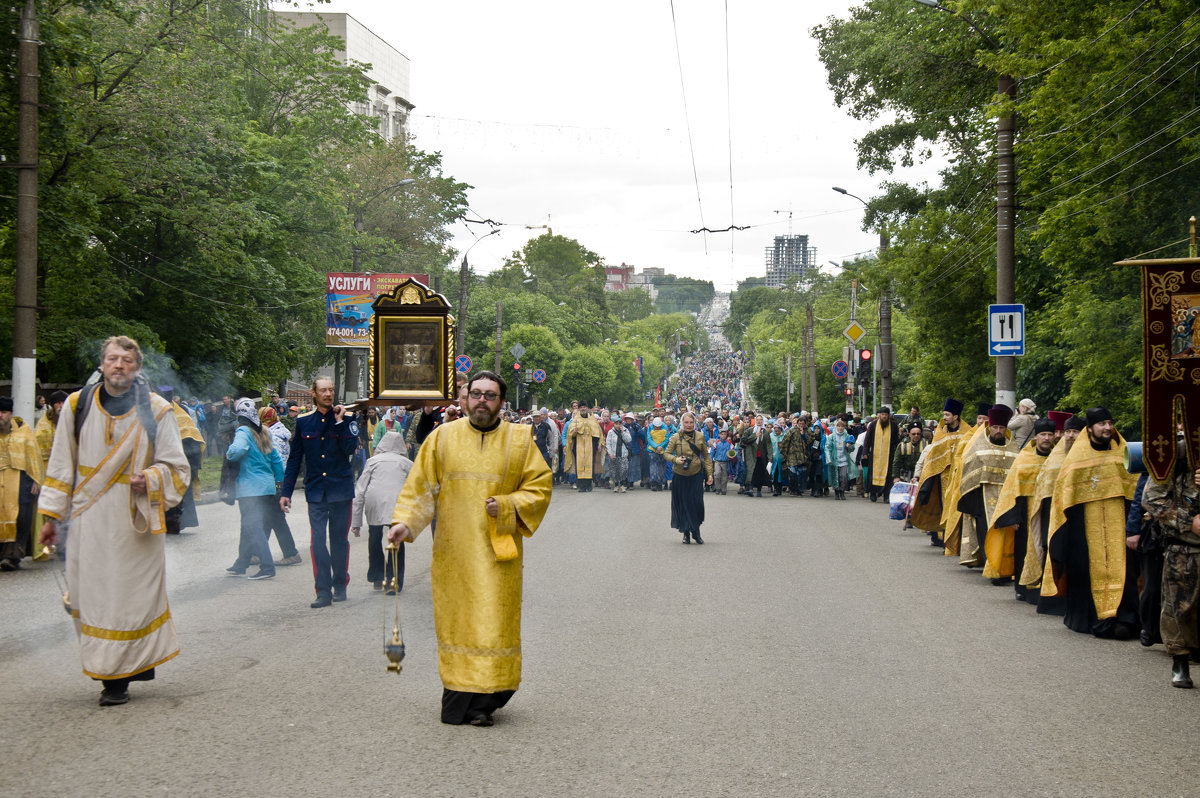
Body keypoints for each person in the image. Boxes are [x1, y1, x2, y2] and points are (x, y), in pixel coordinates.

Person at [387, 371, 552, 727]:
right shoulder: (442, 438)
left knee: (493, 626)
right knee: (459, 626)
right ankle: (464, 699)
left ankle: (486, 701)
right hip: (455, 555)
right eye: (475, 394)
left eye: (489, 396)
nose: (481, 401)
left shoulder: (520, 441)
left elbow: (539, 487)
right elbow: (421, 488)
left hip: (498, 555)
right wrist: (405, 523)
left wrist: (508, 505)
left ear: (501, 403)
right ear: (465, 399)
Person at [38, 335, 190, 706]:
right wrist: (50, 516)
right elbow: (62, 465)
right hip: (88, 519)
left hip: (132, 521)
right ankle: (109, 668)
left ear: (137, 368)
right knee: (94, 596)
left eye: (126, 360)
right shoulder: (78, 405)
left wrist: (150, 479)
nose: (118, 365)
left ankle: (117, 679)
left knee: (129, 599)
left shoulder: (156, 410)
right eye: (111, 359)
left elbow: (177, 467)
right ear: (102, 364)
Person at [1042, 407, 1139, 639]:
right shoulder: (1076, 457)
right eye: (1101, 424)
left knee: (1124, 569)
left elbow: (1135, 490)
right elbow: (1064, 498)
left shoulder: (1122, 453)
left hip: (1119, 524)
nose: (1107, 428)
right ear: (1090, 428)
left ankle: (1125, 618)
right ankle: (1089, 619)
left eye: (1109, 423)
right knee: (1085, 570)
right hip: (1084, 530)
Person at [279, 376, 359, 609]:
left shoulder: (348, 418)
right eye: (323, 390)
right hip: (316, 493)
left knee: (339, 541)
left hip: (341, 492)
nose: (328, 394)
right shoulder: (304, 422)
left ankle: (340, 584)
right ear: (313, 393)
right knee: (318, 542)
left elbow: (350, 449)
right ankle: (322, 591)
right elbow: (295, 459)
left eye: (331, 390)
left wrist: (340, 422)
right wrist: (286, 491)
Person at [1142, 439, 1200, 687]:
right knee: (1179, 605)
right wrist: (1188, 521)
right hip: (1183, 545)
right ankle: (1180, 659)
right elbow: (1152, 498)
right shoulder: (1175, 453)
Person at [985, 416, 1056, 599]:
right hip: (1026, 512)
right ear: (1036, 437)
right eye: (1043, 435)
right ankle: (1023, 588)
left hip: (1050, 511)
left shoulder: (1058, 458)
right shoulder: (1024, 458)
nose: (1046, 438)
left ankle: (1044, 587)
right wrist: (1014, 518)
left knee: (1046, 548)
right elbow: (1012, 490)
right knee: (1024, 550)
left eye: (1050, 434)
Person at [953, 404, 1019, 569]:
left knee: (1004, 532)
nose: (998, 430)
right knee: (986, 530)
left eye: (1001, 428)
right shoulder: (979, 447)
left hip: (1006, 498)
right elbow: (968, 474)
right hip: (983, 498)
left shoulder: (1015, 449)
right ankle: (991, 564)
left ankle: (1002, 565)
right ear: (989, 428)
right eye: (995, 427)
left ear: (1005, 429)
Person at [224, 398, 282, 581]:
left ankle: (267, 566)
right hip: (266, 487)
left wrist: (229, 453)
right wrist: (281, 482)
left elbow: (237, 450)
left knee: (253, 527)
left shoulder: (243, 431)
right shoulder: (265, 432)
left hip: (250, 489)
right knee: (247, 526)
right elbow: (276, 460)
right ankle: (241, 564)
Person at [351, 430, 413, 594]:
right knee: (396, 540)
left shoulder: (372, 461)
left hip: (374, 502)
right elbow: (416, 488)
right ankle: (394, 580)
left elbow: (360, 492)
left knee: (374, 537)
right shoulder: (406, 463)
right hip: (398, 503)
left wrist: (356, 523)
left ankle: (377, 576)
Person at [912, 399, 974, 547]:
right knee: (943, 507)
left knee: (959, 509)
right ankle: (944, 538)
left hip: (961, 477)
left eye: (947, 415)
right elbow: (933, 456)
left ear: (956, 416)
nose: (944, 417)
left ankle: (959, 541)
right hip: (943, 478)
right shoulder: (940, 432)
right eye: (944, 414)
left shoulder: (968, 433)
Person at [0, 396, 44, 570]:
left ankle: (13, 556)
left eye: (3, 412)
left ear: (10, 414)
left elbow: (34, 458)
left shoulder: (24, 433)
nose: (0, 416)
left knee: (20, 518)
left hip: (20, 482)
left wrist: (36, 480)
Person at [259, 407, 301, 566]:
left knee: (275, 518)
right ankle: (257, 552)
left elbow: (272, 461)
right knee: (267, 518)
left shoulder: (272, 436)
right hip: (279, 480)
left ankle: (291, 553)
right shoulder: (279, 431)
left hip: (275, 480)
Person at [663, 411, 714, 543]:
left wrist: (709, 474)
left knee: (696, 504)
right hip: (680, 476)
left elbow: (707, 457)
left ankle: (696, 532)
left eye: (691, 422)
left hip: (696, 475)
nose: (689, 425)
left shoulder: (700, 436)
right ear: (682, 423)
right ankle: (686, 534)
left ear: (695, 423)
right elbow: (666, 454)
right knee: (684, 505)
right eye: (686, 422)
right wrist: (675, 459)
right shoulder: (675, 437)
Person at [161, 387, 204, 535]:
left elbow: (192, 438)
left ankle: (179, 523)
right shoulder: (168, 410)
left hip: (184, 460)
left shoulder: (177, 412)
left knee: (179, 493)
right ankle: (178, 523)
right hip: (180, 460)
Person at [860, 405, 900, 503]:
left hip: (888, 455)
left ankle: (886, 495)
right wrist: (865, 452)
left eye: (886, 415)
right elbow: (867, 440)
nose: (884, 417)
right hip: (875, 455)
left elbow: (896, 441)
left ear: (888, 416)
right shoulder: (873, 425)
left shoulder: (893, 426)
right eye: (882, 414)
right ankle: (873, 493)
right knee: (873, 474)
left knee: (888, 475)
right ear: (879, 415)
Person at [565, 405, 602, 492]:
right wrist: (574, 431)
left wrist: (599, 443)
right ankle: (581, 486)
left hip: (590, 446)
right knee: (580, 465)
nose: (583, 408)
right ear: (579, 409)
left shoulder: (592, 418)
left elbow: (598, 431)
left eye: (584, 407)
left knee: (590, 465)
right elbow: (570, 434)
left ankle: (589, 485)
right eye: (581, 407)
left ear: (587, 408)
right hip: (579, 446)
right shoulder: (576, 419)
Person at [824, 416, 855, 500]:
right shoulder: (831, 437)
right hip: (835, 460)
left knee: (844, 477)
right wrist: (829, 458)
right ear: (836, 427)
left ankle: (842, 491)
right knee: (836, 477)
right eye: (838, 426)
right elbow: (827, 448)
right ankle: (837, 492)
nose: (840, 428)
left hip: (844, 460)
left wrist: (849, 446)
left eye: (842, 426)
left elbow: (852, 448)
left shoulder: (847, 436)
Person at [606, 414, 632, 493]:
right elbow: (608, 443)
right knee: (615, 470)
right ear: (614, 424)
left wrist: (623, 432)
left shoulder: (625, 430)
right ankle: (617, 485)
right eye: (616, 424)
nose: (618, 425)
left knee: (623, 470)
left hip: (623, 453)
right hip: (614, 453)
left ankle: (623, 485)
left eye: (619, 423)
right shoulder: (611, 432)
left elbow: (628, 440)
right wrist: (610, 453)